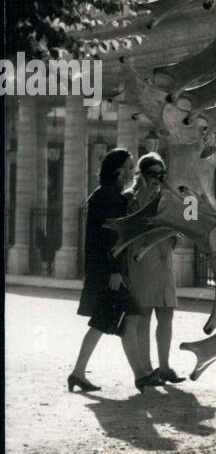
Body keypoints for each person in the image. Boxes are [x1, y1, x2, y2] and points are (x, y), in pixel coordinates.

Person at [69, 148, 160, 393]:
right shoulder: (108, 197)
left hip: (109, 271)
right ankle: (140, 375)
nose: (133, 172)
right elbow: (109, 238)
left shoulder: (108, 194)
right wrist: (115, 272)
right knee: (122, 318)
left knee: (108, 321)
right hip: (110, 272)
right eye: (130, 168)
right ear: (118, 171)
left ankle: (80, 373)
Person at [123, 152, 185, 385]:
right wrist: (147, 195)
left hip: (163, 259)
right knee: (145, 316)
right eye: (152, 174)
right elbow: (135, 227)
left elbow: (184, 219)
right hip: (142, 261)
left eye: (161, 174)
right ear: (142, 174)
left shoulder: (166, 197)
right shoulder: (131, 198)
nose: (157, 178)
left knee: (166, 314)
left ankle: (165, 366)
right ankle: (148, 368)